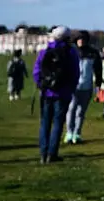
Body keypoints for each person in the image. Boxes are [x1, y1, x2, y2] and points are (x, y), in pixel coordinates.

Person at [33, 26, 80, 164]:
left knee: (45, 123)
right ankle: (52, 153)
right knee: (58, 123)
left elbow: (37, 71)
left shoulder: (45, 51)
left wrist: (41, 84)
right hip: (63, 92)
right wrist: (70, 89)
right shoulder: (71, 52)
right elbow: (75, 73)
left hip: (47, 92)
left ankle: (43, 152)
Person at [64, 30, 103, 144]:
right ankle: (69, 132)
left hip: (87, 86)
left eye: (83, 39)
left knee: (81, 112)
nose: (81, 41)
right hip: (73, 86)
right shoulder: (71, 51)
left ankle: (77, 133)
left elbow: (98, 70)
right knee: (71, 109)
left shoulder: (93, 53)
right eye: (79, 39)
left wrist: (98, 85)